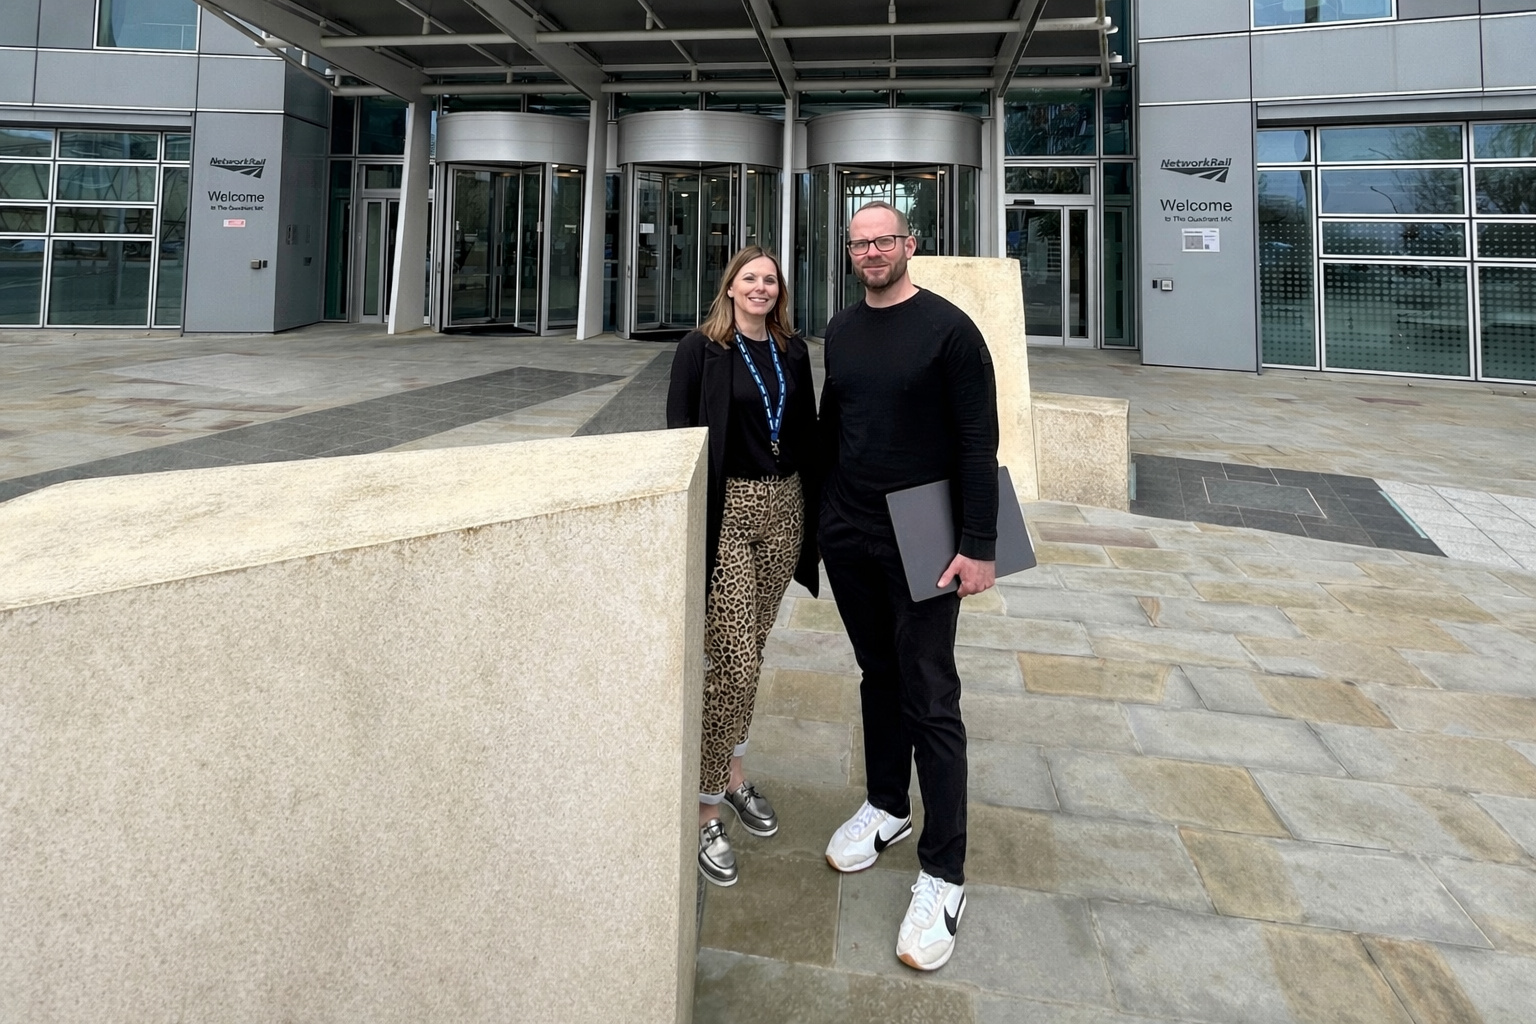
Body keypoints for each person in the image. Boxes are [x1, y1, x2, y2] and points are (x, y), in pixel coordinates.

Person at [818, 201, 998, 971]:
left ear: (909, 245)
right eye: (860, 243)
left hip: (924, 528)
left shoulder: (951, 331)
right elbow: (836, 424)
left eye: (884, 239)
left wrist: (980, 546)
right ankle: (887, 805)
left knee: (930, 694)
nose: (872, 252)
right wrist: (821, 519)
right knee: (876, 675)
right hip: (851, 530)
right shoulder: (844, 329)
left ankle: (944, 873)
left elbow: (977, 442)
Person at [666, 245, 820, 888]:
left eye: (771, 280)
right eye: (750, 279)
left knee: (752, 649)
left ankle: (731, 771)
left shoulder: (792, 350)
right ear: (729, 288)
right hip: (728, 510)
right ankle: (704, 807)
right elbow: (677, 433)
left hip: (785, 508)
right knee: (730, 658)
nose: (761, 288)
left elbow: (808, 429)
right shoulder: (700, 350)